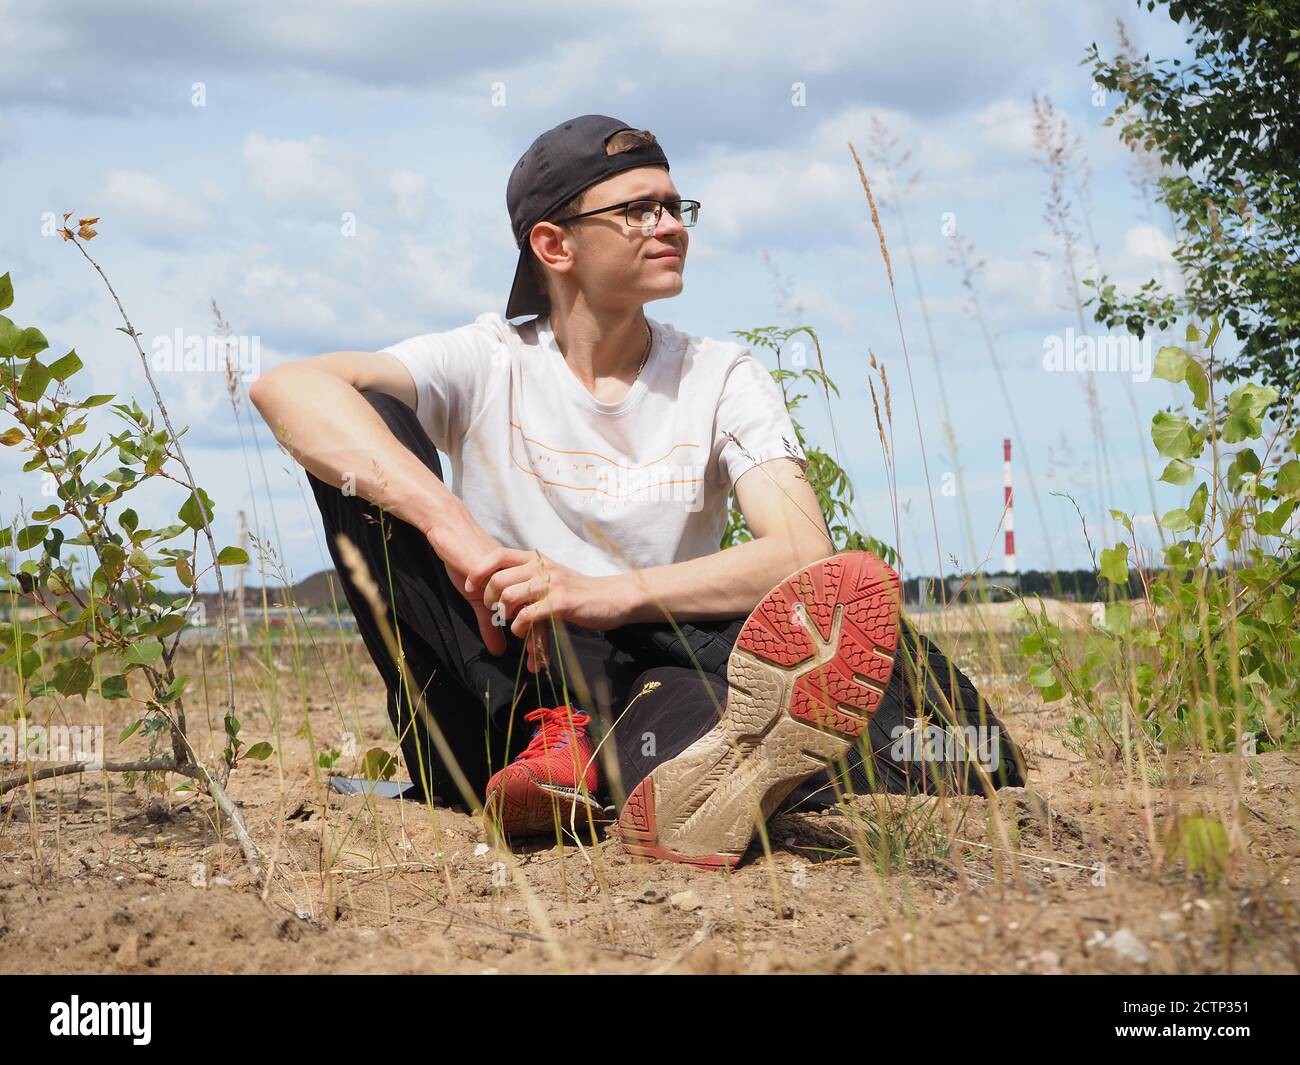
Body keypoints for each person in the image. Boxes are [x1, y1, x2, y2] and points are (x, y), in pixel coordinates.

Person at [249, 114, 1023, 869]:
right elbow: (288, 386)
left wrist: (602, 594)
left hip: (648, 681)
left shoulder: (722, 375)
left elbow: (799, 551)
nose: (672, 225)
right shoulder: (488, 359)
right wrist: (458, 531)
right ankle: (568, 754)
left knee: (710, 717)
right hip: (489, 691)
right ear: (554, 244)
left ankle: (683, 784)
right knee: (370, 421)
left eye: (675, 206)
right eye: (637, 210)